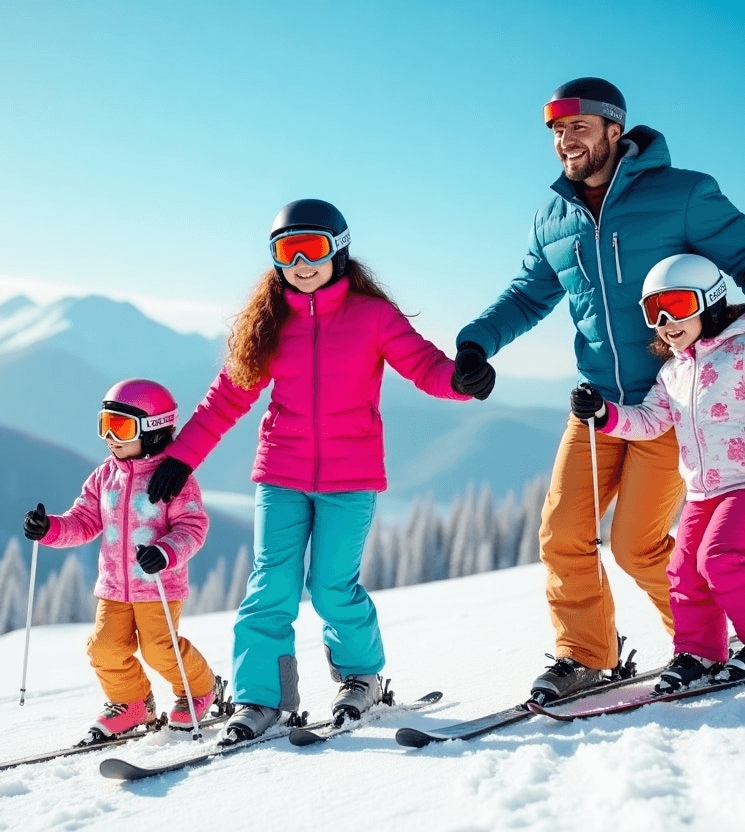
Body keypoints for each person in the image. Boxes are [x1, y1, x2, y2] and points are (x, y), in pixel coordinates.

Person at [452, 77, 745, 703]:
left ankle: (705, 647)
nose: (566, 141)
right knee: (561, 534)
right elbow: (530, 293)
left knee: (639, 544)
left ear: (615, 130)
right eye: (556, 131)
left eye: (578, 127)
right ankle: (585, 655)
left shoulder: (683, 194)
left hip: (680, 400)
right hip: (598, 405)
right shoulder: (554, 216)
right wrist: (478, 341)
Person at [145, 198, 474, 744]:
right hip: (281, 474)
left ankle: (360, 678)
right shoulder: (269, 325)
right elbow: (225, 399)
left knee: (331, 588)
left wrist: (458, 382)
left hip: (352, 477)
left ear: (338, 252)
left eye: (312, 248)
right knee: (268, 585)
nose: (300, 262)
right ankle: (259, 699)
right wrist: (182, 457)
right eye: (286, 250)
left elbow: (425, 365)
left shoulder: (373, 317)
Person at [570, 253, 745, 691]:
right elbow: (649, 421)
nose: (665, 321)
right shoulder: (673, 373)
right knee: (683, 572)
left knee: (721, 560)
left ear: (712, 302)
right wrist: (604, 415)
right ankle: (699, 653)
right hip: (703, 491)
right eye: (653, 311)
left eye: (677, 306)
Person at [22, 379, 222, 742]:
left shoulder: (173, 477)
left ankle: (201, 688)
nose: (110, 437)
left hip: (159, 584)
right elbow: (83, 522)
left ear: (154, 430)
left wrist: (165, 552)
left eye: (120, 427)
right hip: (114, 587)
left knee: (160, 649)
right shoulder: (105, 476)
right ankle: (130, 702)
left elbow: (193, 526)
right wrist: (49, 528)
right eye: (105, 425)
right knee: (104, 647)